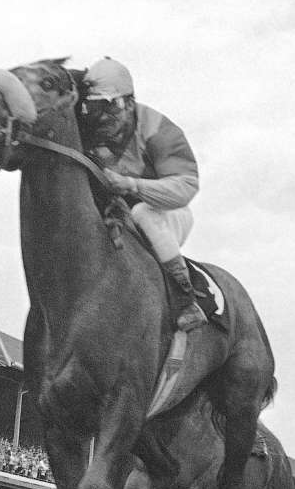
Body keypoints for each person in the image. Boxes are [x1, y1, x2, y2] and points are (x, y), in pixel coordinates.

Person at [80, 57, 207, 332]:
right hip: (116, 214)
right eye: (94, 107)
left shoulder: (158, 129)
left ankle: (186, 298)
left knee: (143, 213)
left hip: (167, 213)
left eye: (110, 106)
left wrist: (132, 185)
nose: (102, 116)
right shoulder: (90, 131)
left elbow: (186, 186)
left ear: (129, 102)